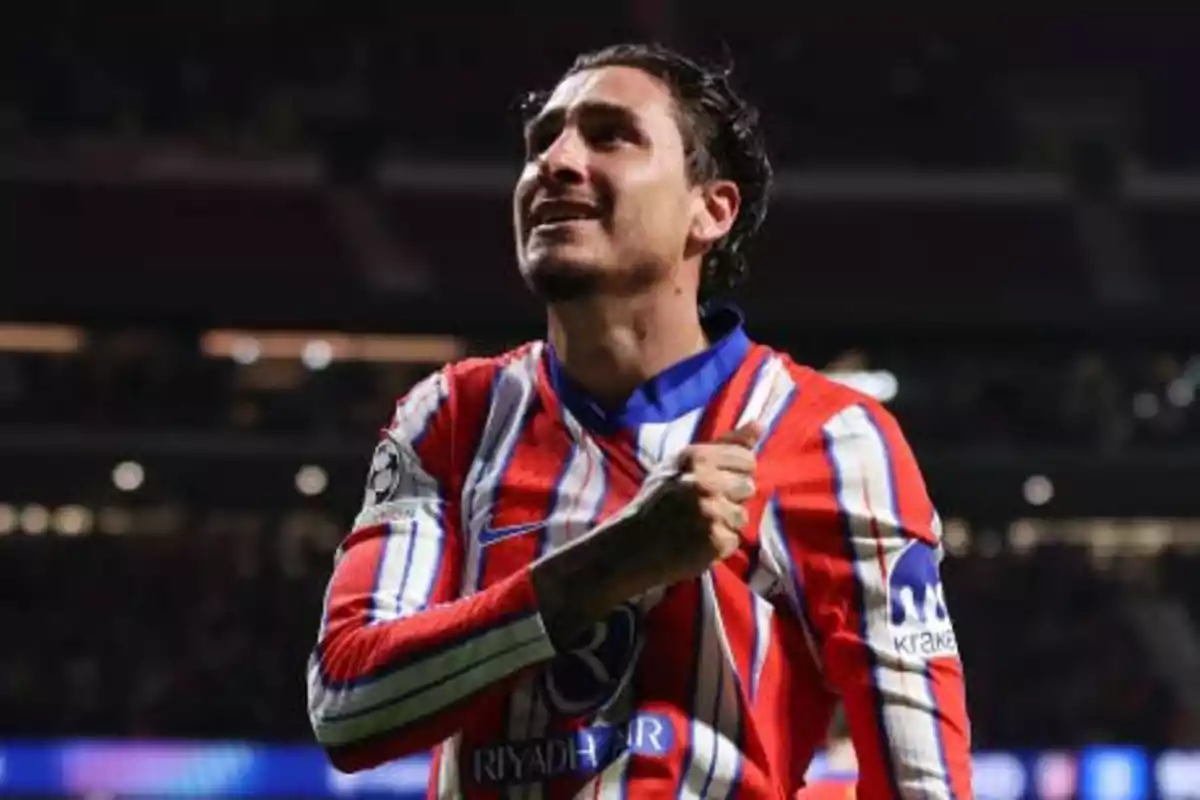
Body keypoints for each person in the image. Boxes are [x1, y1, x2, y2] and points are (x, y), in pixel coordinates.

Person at [307, 42, 973, 799]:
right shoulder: (451, 418)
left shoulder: (836, 441)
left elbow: (925, 787)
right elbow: (348, 706)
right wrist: (612, 566)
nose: (553, 162)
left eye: (609, 134)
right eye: (542, 141)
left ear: (709, 209)